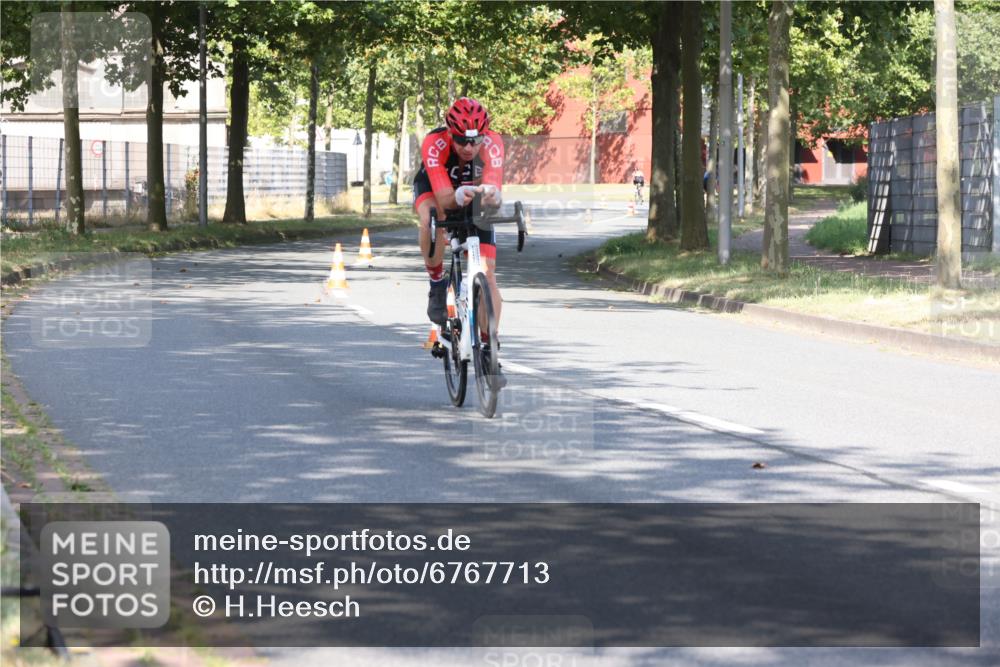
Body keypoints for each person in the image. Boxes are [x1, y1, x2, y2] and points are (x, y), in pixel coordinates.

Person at [412, 97, 506, 379]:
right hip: (437, 188)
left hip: (475, 196)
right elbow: (443, 197)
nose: (468, 147)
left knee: (488, 276)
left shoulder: (493, 143)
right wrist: (455, 196)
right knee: (432, 216)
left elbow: (494, 191)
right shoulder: (434, 143)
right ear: (449, 133)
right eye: (461, 141)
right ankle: (437, 281)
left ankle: (489, 347)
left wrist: (494, 196)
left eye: (475, 141)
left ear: (484, 135)